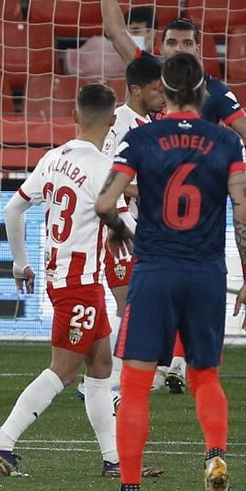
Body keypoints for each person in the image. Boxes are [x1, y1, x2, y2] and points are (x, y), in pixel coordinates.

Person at [95, 0, 246, 394]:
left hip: (186, 207)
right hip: (146, 197)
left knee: (178, 277)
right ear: (162, 47)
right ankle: (154, 366)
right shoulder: (149, 71)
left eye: (187, 41)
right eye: (172, 41)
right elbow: (115, 31)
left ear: (199, 47)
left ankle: (172, 366)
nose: (179, 47)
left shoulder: (213, 91)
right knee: (152, 286)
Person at [93, 53, 246, 491]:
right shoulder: (227, 142)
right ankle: (215, 457)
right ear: (203, 93)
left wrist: (118, 229)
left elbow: (106, 200)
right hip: (207, 273)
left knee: (136, 378)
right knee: (205, 376)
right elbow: (245, 213)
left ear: (163, 91)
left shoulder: (141, 138)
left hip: (155, 271)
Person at [0, 83, 161, 481]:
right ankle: (2, 442)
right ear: (113, 120)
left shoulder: (52, 158)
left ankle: (114, 461)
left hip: (68, 278)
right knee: (62, 371)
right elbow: (125, 224)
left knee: (100, 367)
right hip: (78, 283)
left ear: (74, 115)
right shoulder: (104, 169)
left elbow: (13, 210)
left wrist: (20, 264)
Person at [100, 52, 167, 367]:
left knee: (135, 305)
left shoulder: (146, 123)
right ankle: (103, 382)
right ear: (136, 89)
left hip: (140, 224)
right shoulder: (121, 122)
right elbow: (104, 176)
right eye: (157, 89)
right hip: (118, 226)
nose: (163, 95)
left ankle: (106, 380)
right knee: (128, 304)